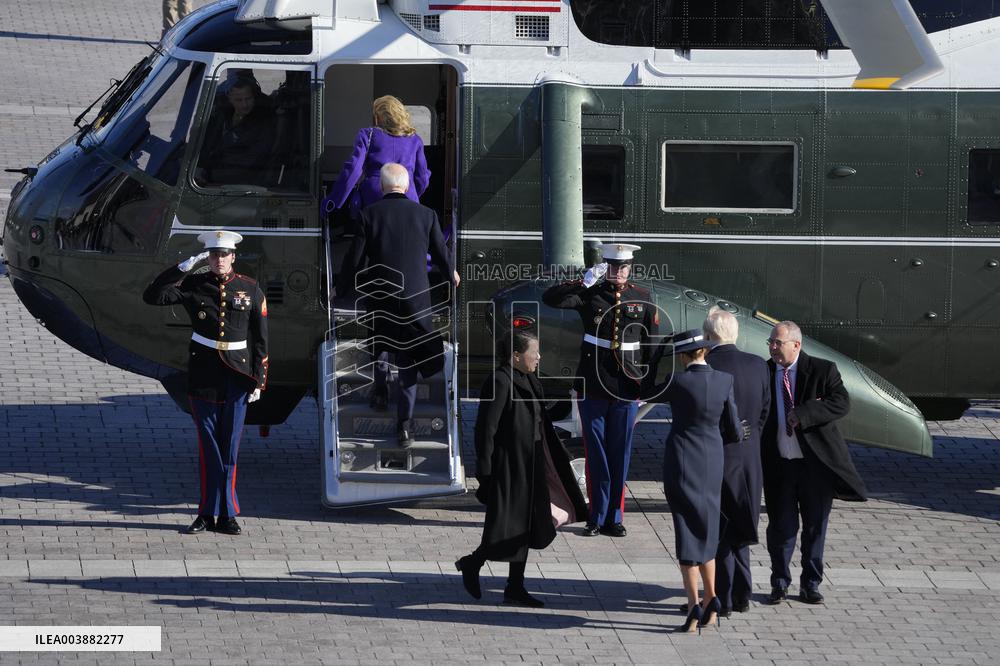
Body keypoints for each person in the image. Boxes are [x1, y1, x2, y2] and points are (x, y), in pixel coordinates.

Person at [142, 230, 268, 536]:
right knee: (208, 448)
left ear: (234, 257)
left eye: (224, 255)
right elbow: (153, 295)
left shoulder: (250, 289)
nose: (219, 260)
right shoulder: (194, 285)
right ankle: (206, 513)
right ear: (207, 258)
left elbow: (261, 339)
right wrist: (183, 267)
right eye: (213, 255)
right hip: (204, 375)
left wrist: (259, 381)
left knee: (230, 449)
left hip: (238, 376)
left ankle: (227, 513)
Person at [456, 330, 588, 607]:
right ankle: (473, 563)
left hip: (532, 463)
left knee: (525, 527)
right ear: (516, 356)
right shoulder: (500, 381)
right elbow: (486, 430)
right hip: (509, 468)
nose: (539, 357)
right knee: (506, 528)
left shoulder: (528, 378)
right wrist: (485, 472)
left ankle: (514, 586)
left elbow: (537, 415)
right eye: (534, 353)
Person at [336, 163, 459, 445]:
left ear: (382, 186)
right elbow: (441, 252)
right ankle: (405, 425)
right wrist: (451, 274)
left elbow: (354, 259)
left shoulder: (369, 215)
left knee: (380, 342)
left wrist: (339, 288)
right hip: (416, 298)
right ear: (406, 186)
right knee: (408, 360)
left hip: (381, 294)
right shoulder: (426, 215)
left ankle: (380, 393)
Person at [542, 243, 658, 538]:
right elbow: (551, 299)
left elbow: (650, 348)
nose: (618, 272)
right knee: (596, 453)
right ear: (605, 267)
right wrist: (583, 281)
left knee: (620, 454)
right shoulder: (589, 294)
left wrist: (646, 384)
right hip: (593, 383)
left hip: (626, 386)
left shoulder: (642, 297)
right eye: (612, 266)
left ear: (630, 268)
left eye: (623, 267)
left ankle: (614, 517)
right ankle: (596, 515)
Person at [762, 320, 867, 605]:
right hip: (779, 465)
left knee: (814, 527)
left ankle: (810, 583)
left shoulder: (822, 370)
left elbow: (841, 403)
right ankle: (779, 582)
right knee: (781, 528)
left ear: (796, 344)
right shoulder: (765, 371)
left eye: (777, 343)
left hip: (814, 466)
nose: (772, 348)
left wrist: (805, 413)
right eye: (770, 342)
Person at [645, 329, 741, 632]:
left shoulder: (678, 381)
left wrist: (656, 355)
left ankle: (694, 605)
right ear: (705, 352)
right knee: (708, 530)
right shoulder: (725, 381)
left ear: (683, 356)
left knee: (687, 535)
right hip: (713, 462)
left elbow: (646, 390)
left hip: (683, 463)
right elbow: (735, 431)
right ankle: (712, 597)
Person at [703, 308, 770, 617]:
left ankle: (723, 599)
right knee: (743, 525)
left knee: (719, 531)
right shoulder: (758, 365)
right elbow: (764, 413)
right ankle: (743, 594)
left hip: (717, 456)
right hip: (749, 458)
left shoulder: (707, 366)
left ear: (708, 335)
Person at [322, 95, 431, 219]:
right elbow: (422, 178)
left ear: (377, 117)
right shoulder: (415, 139)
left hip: (374, 195)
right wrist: (409, 192)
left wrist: (334, 200)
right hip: (408, 195)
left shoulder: (368, 135)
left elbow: (353, 169)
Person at [197, 75, 275, 186]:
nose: (244, 104)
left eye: (248, 99)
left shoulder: (263, 124)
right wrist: (200, 166)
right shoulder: (222, 116)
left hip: (237, 182)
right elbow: (208, 143)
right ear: (229, 98)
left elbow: (250, 161)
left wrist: (208, 175)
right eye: (238, 100)